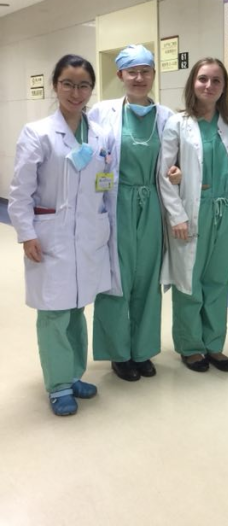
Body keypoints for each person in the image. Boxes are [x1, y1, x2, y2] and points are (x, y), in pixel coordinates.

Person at [8, 55, 113, 416]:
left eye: (83, 85)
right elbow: (20, 193)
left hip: (87, 236)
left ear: (91, 89)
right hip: (50, 236)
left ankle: (73, 374)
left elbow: (105, 184)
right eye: (67, 83)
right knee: (54, 312)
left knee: (77, 308)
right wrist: (27, 234)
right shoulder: (37, 133)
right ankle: (58, 385)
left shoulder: (99, 134)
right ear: (55, 85)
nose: (75, 92)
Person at [89, 44, 172, 382]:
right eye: (132, 72)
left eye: (145, 71)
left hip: (151, 202)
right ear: (120, 74)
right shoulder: (101, 112)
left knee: (147, 278)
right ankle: (118, 353)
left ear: (153, 74)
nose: (139, 78)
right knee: (116, 278)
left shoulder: (167, 117)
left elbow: (177, 159)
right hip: (116, 202)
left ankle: (143, 349)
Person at [159, 58, 228, 373]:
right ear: (193, 83)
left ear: (224, 87)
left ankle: (214, 345)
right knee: (189, 280)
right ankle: (191, 346)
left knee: (218, 280)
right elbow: (164, 174)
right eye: (203, 79)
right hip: (193, 212)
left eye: (216, 80)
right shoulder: (177, 123)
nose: (209, 86)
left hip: (227, 212)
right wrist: (177, 216)